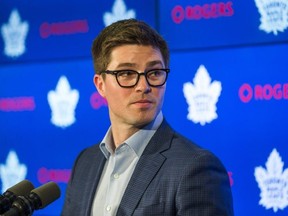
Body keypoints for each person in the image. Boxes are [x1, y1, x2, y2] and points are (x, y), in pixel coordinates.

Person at [61, 19, 234, 216]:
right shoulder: (85, 162)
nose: (144, 86)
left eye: (154, 72)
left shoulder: (196, 167)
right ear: (100, 85)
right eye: (126, 73)